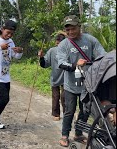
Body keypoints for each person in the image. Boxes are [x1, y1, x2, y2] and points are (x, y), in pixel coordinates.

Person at [57, 15, 106, 147]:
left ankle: (78, 133)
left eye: (73, 29)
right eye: (68, 30)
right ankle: (64, 135)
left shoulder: (90, 40)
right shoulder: (63, 44)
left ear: (79, 27)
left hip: (88, 84)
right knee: (69, 111)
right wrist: (75, 64)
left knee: (85, 111)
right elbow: (61, 63)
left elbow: (102, 56)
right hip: (70, 86)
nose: (70, 32)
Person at [38, 33, 66, 121]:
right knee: (56, 96)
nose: (58, 45)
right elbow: (45, 64)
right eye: (57, 43)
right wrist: (41, 58)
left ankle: (67, 114)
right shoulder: (52, 51)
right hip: (55, 77)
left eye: (60, 43)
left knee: (65, 96)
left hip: (66, 77)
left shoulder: (68, 50)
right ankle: (56, 114)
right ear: (55, 43)